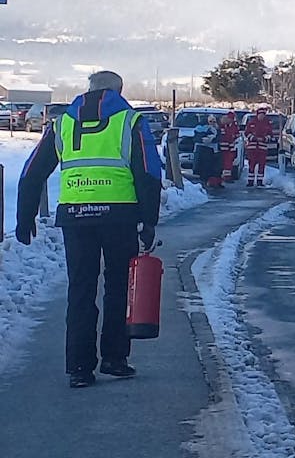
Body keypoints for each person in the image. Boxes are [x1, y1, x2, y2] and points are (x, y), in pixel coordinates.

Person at [15, 71, 163, 388]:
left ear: (89, 90)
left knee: (80, 289)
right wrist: (149, 220)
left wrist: (24, 216)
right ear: (119, 91)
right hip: (120, 216)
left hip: (75, 215)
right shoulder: (131, 121)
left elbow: (32, 171)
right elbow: (149, 171)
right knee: (118, 288)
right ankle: (114, 358)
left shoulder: (62, 123)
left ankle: (79, 368)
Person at [243, 106, 275, 188]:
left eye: (263, 114)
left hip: (262, 149)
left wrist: (265, 138)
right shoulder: (252, 122)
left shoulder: (267, 124)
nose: (261, 116)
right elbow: (246, 133)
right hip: (252, 149)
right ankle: (250, 181)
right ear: (257, 115)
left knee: (261, 166)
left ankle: (260, 182)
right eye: (260, 114)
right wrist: (253, 138)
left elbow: (270, 135)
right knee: (251, 165)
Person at [194, 114, 222, 189]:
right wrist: (204, 139)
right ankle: (204, 182)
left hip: (213, 152)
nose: (212, 123)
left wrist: (212, 139)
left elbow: (219, 138)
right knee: (203, 168)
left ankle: (213, 182)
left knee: (214, 168)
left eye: (214, 121)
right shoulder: (200, 128)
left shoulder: (217, 129)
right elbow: (197, 137)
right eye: (210, 121)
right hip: (203, 151)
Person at [218, 110, 240, 183]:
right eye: (229, 119)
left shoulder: (234, 126)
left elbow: (237, 134)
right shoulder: (221, 125)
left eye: (232, 119)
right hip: (221, 148)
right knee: (222, 163)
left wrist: (234, 137)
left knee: (229, 163)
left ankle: (227, 177)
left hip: (231, 148)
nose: (230, 120)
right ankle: (220, 176)